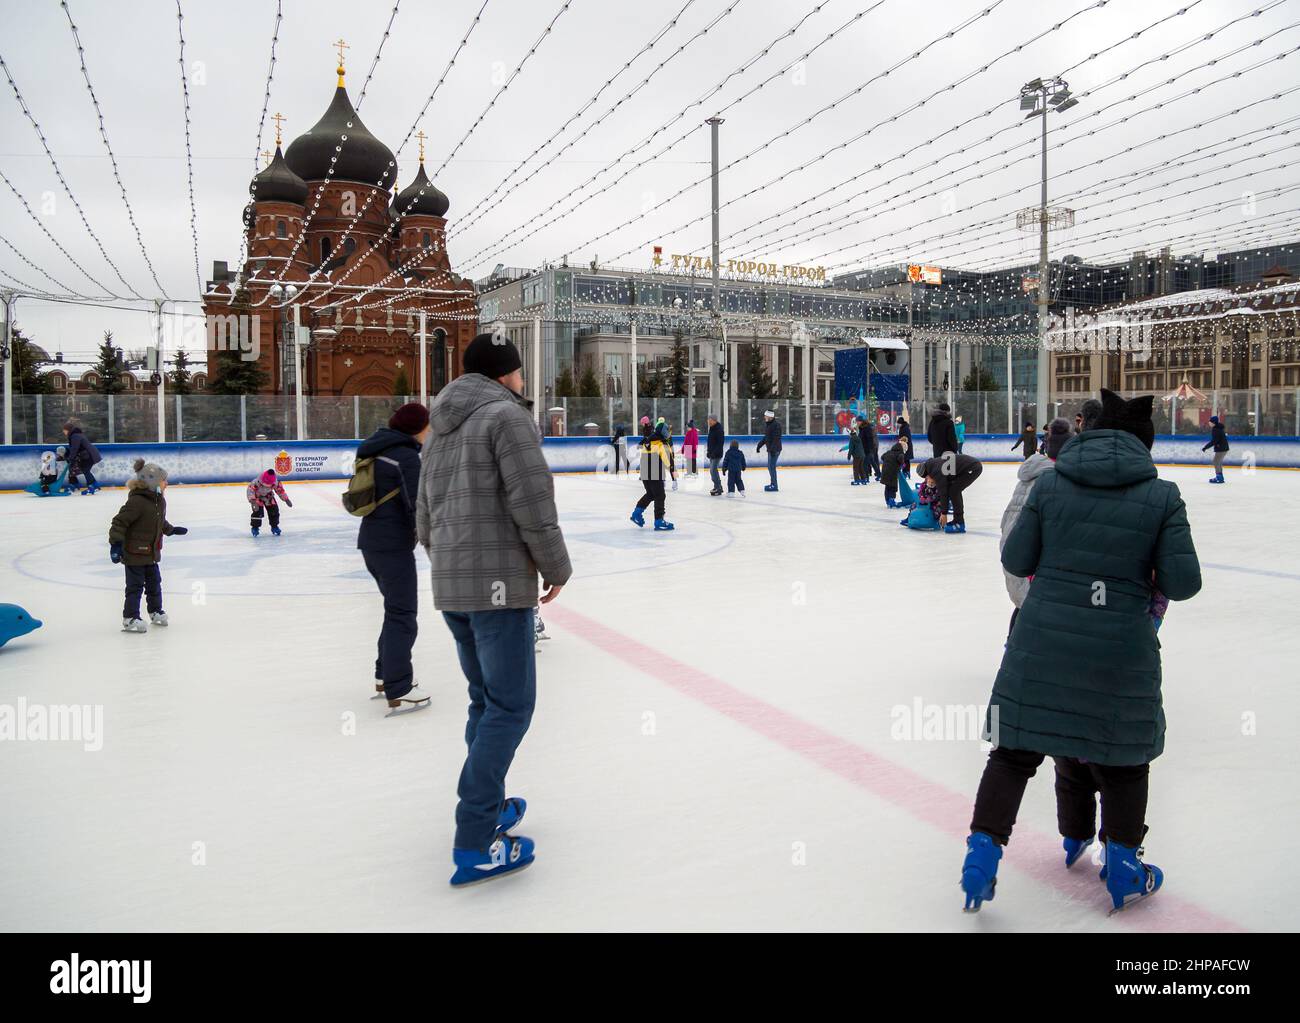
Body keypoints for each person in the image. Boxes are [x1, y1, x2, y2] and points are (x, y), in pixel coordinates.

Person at [959, 390, 1202, 915]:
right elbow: (1184, 583)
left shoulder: (1049, 483)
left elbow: (1018, 556)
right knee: (1123, 761)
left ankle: (981, 853)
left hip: (1040, 640)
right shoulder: (1163, 497)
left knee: (1013, 753)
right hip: (1121, 649)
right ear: (1144, 444)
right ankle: (1123, 868)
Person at [415, 332, 572, 887]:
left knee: (486, 702)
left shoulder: (440, 428)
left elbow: (425, 514)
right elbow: (532, 500)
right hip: (499, 586)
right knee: (510, 707)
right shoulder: (507, 418)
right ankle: (476, 839)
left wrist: (451, 567)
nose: (525, 382)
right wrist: (555, 566)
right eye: (521, 373)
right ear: (505, 375)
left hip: (453, 586)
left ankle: (490, 803)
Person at [356, 402, 431, 712]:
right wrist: (435, 544)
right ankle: (398, 686)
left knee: (394, 611)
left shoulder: (376, 450)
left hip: (372, 544)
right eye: (428, 426)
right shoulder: (406, 457)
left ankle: (383, 675)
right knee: (403, 616)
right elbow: (418, 507)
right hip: (393, 547)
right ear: (417, 428)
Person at [1000, 418, 1071, 636]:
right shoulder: (1057, 481)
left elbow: (1008, 520)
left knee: (1022, 608)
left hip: (1012, 554)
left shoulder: (1028, 476)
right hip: (1030, 563)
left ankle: (1012, 649)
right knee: (1034, 610)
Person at [109, 458, 187, 633]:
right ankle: (130, 618)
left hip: (151, 553)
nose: (166, 483)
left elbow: (158, 521)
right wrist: (116, 545)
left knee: (154, 584)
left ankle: (155, 611)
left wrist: (171, 530)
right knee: (135, 587)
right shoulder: (137, 502)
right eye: (163, 480)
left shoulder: (158, 500)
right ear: (153, 482)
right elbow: (119, 522)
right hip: (134, 553)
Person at [917, 452, 983, 534]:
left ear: (927, 473)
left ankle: (959, 523)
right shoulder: (932, 465)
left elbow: (943, 492)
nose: (927, 479)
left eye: (926, 477)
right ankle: (957, 520)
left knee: (954, 491)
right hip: (969, 467)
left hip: (973, 468)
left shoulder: (936, 471)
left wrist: (944, 513)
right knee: (952, 490)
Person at [633, 416, 677, 530]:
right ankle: (659, 521)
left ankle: (636, 513)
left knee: (651, 494)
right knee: (660, 496)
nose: (669, 433)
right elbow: (670, 463)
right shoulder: (662, 443)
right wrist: (674, 479)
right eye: (667, 431)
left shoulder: (647, 441)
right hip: (655, 473)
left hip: (644, 473)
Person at [60, 419, 102, 494]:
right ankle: (93, 485)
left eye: (64, 430)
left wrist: (71, 458)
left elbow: (74, 448)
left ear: (68, 430)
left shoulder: (75, 436)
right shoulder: (75, 435)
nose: (64, 432)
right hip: (89, 454)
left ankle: (93, 486)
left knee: (85, 470)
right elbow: (74, 448)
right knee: (84, 469)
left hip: (90, 455)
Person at [247, 469, 293, 536]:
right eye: (267, 483)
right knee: (257, 512)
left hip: (268, 497)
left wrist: (286, 499)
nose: (268, 485)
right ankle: (255, 527)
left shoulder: (275, 482)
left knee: (274, 510)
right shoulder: (256, 482)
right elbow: (250, 491)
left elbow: (280, 490)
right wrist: (253, 502)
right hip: (257, 497)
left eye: (270, 484)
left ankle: (274, 526)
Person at [756, 409, 783, 491]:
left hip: (775, 450)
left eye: (765, 416)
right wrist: (759, 445)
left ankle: (774, 485)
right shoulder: (769, 425)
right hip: (771, 450)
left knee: (771, 467)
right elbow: (766, 437)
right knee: (770, 467)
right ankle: (773, 484)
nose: (764, 417)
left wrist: (772, 450)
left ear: (770, 417)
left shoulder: (776, 425)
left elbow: (776, 439)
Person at [880, 436, 907, 507]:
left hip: (885, 471)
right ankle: (891, 500)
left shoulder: (889, 452)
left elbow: (882, 457)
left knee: (887, 486)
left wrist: (888, 462)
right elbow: (900, 458)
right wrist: (902, 464)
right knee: (893, 486)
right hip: (892, 472)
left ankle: (887, 500)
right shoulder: (900, 454)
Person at [1203, 414, 1230, 484]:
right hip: (1223, 448)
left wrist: (1206, 447)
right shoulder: (1218, 428)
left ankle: (1219, 477)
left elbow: (1214, 441)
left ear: (1213, 423)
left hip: (1221, 448)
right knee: (1218, 462)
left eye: (1210, 422)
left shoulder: (1216, 429)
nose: (1209, 423)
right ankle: (1220, 477)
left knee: (1216, 461)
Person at [705, 414, 725, 496]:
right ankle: (717, 486)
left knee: (713, 470)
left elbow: (720, 444)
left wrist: (714, 453)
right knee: (712, 471)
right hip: (712, 453)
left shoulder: (719, 430)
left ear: (714, 420)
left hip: (717, 454)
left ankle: (718, 487)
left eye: (710, 420)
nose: (708, 422)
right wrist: (709, 452)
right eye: (708, 420)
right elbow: (711, 441)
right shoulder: (712, 428)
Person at [859, 416, 881, 482]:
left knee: (865, 463)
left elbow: (870, 439)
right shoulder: (863, 428)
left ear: (861, 422)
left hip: (868, 449)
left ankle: (866, 478)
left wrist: (871, 449)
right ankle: (879, 474)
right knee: (872, 462)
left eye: (858, 421)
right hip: (868, 448)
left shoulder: (867, 428)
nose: (857, 423)